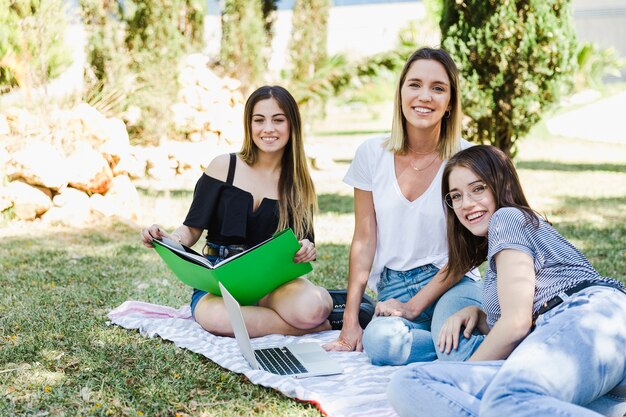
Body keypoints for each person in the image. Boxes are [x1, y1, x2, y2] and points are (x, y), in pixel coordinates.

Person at [387, 145, 626, 417]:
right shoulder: (501, 254)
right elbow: (525, 317)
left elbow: (516, 323)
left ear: (501, 186)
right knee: (410, 382)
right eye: (456, 196)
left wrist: (467, 373)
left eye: (478, 189)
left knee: (505, 399)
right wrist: (480, 316)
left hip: (591, 318)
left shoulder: (507, 217)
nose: (466, 204)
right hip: (584, 351)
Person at [323, 47, 484, 365]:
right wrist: (351, 320)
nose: (424, 96)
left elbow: (472, 249)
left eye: (438, 88)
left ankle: (461, 340)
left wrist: (413, 309)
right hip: (393, 286)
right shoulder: (370, 153)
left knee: (453, 337)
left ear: (450, 102)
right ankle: (462, 344)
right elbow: (363, 241)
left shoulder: (467, 158)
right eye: (415, 84)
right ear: (400, 93)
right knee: (379, 343)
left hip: (450, 280)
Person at [141, 85, 336, 337]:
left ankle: (304, 317)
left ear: (292, 125)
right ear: (249, 125)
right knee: (218, 318)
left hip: (272, 283)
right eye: (259, 120)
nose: (268, 129)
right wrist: (168, 239)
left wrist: (306, 248)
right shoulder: (224, 166)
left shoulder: (297, 184)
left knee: (314, 307)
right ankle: (320, 327)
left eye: (278, 120)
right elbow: (191, 229)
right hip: (218, 282)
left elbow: (303, 243)